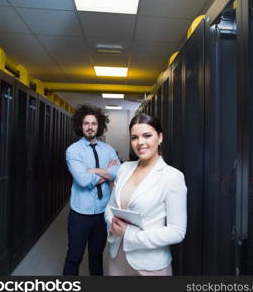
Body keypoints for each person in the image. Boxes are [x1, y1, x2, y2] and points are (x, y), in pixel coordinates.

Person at [104, 113, 187, 276]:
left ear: (160, 137)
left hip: (149, 264)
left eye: (147, 135)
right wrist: (111, 221)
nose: (140, 142)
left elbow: (177, 232)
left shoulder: (172, 176)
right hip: (117, 256)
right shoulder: (124, 168)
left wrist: (128, 233)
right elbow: (110, 207)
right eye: (134, 137)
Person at [63, 104, 120, 276]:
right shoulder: (73, 151)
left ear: (99, 125)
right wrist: (107, 173)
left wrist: (94, 171)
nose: (90, 127)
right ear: (80, 126)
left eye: (93, 123)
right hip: (80, 214)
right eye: (86, 123)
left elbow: (119, 173)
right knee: (74, 257)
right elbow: (83, 180)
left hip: (103, 213)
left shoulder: (108, 150)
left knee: (96, 256)